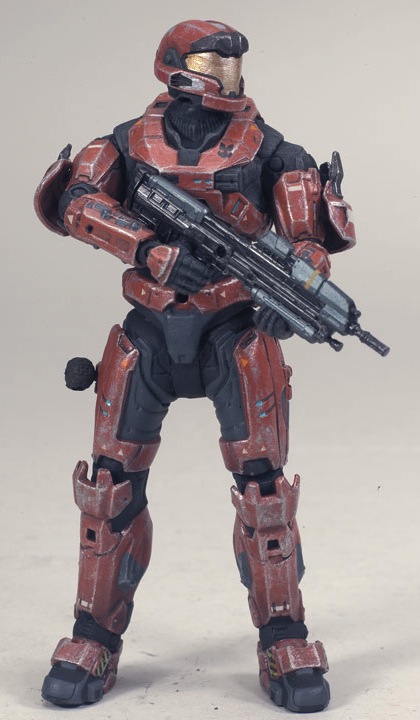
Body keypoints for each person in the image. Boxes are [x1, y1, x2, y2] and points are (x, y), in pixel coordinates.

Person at [35, 19, 355, 713]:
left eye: (234, 63)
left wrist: (295, 291)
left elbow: (308, 241)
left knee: (265, 495)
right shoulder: (126, 141)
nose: (228, 75)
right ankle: (94, 636)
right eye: (215, 62)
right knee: (108, 490)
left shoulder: (274, 150)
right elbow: (75, 201)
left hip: (233, 331)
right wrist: (145, 249)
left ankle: (284, 637)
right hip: (149, 330)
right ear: (177, 65)